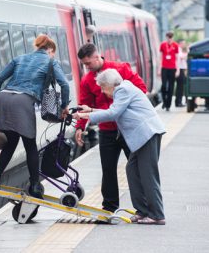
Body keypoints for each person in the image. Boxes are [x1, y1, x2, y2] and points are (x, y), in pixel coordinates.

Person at [73, 69, 166, 225]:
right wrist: (91, 110)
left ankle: (157, 215)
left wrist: (84, 116)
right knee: (132, 170)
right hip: (143, 137)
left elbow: (113, 113)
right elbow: (115, 111)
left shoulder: (122, 90)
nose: (102, 92)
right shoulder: (124, 89)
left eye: (103, 88)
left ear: (110, 85)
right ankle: (142, 211)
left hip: (147, 135)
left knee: (148, 175)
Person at [0, 34, 70, 198]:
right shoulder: (51, 61)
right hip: (23, 101)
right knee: (30, 145)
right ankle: (34, 185)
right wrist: (64, 106)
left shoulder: (19, 58)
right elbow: (65, 84)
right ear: (51, 50)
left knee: (10, 143)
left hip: (4, 98)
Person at [75, 43, 147, 212]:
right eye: (84, 65)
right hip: (107, 131)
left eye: (88, 63)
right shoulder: (87, 80)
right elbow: (84, 105)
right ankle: (109, 207)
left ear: (96, 56)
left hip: (128, 129)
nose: (87, 67)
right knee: (108, 169)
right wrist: (80, 127)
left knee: (136, 168)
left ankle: (144, 207)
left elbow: (141, 90)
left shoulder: (121, 69)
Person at [159, 31, 179, 111]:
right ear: (166, 37)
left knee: (171, 87)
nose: (169, 39)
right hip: (164, 68)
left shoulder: (175, 45)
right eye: (168, 37)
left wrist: (177, 70)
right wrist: (159, 69)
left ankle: (168, 105)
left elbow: (177, 59)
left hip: (172, 68)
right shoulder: (163, 45)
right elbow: (160, 57)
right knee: (163, 86)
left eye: (171, 37)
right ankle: (164, 101)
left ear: (172, 38)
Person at [175, 39, 188, 107]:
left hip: (182, 69)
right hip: (180, 70)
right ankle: (178, 102)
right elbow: (182, 57)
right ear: (180, 43)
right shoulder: (178, 50)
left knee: (181, 86)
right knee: (180, 87)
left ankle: (179, 102)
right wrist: (188, 52)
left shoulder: (181, 50)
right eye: (183, 43)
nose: (184, 45)